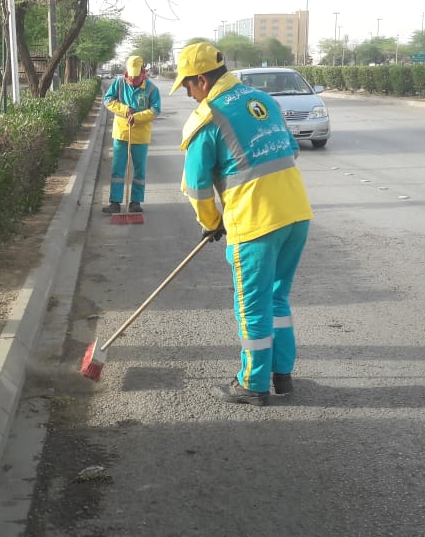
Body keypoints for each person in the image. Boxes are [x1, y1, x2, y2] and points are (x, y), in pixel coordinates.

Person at [170, 42, 314, 406]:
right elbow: (290, 151)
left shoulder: (208, 117)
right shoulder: (262, 99)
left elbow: (197, 187)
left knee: (251, 305)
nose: (187, 92)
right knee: (276, 297)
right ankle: (282, 375)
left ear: (201, 80)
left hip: (256, 223)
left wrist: (212, 222)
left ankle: (252, 382)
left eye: (187, 85)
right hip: (296, 213)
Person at [102, 55, 161, 214]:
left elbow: (156, 110)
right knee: (118, 169)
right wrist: (124, 109)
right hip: (121, 133)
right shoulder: (119, 83)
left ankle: (135, 202)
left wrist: (137, 117)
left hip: (141, 135)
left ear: (143, 71)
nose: (133, 78)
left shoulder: (151, 88)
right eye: (131, 74)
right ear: (126, 71)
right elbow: (107, 100)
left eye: (136, 75)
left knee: (140, 170)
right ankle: (115, 202)